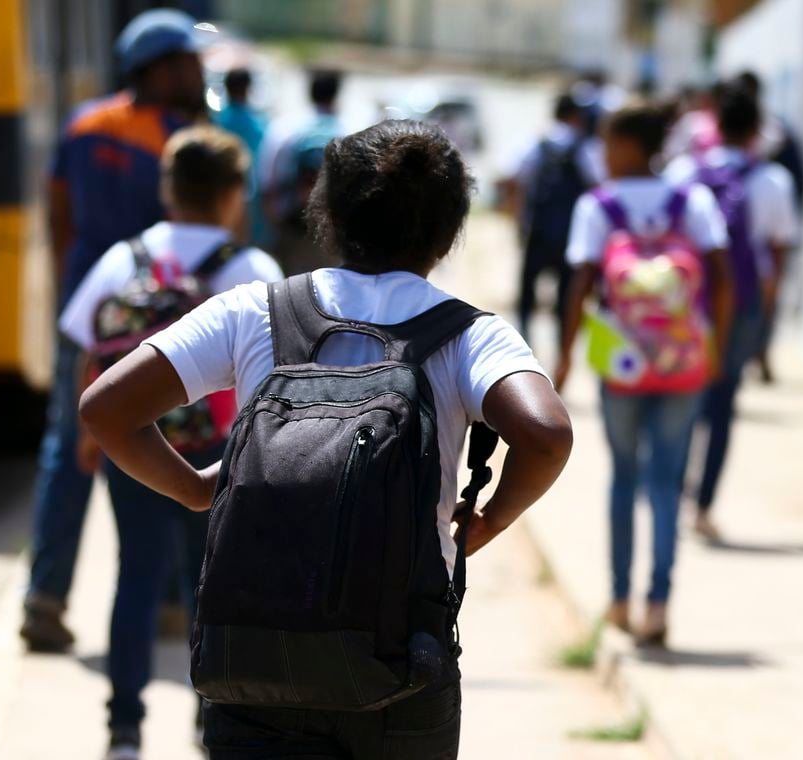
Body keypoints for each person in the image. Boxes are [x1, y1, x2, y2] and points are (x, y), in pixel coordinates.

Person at [78, 119, 572, 759]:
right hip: (400, 668)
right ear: (451, 232)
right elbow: (547, 433)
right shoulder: (470, 336)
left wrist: (199, 490)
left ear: (325, 212)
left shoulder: (253, 309)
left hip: (254, 664)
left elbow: (107, 408)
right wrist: (489, 518)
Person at [60, 126, 282, 760]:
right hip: (218, 454)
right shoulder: (250, 269)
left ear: (168, 189)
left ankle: (124, 729)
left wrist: (88, 436)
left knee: (135, 575)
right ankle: (209, 720)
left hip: (133, 448)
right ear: (235, 194)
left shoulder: (122, 258)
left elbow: (91, 351)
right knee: (210, 587)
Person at [21, 8, 207, 653]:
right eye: (187, 60)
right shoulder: (176, 138)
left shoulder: (83, 124)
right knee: (164, 448)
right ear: (157, 68)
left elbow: (58, 217)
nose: (198, 70)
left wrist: (67, 301)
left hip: (86, 311)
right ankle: (161, 604)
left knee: (65, 453)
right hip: (154, 325)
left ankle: (45, 595)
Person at [556, 104, 733, 645]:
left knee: (624, 476)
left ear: (631, 146)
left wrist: (564, 357)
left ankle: (618, 600)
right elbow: (722, 279)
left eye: (610, 145)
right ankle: (659, 603)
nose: (604, 156)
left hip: (622, 363)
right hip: (682, 360)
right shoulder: (692, 201)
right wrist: (716, 349)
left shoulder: (598, 206)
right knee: (665, 481)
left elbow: (581, 285)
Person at [664, 83, 800, 539]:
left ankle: (674, 491)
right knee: (722, 401)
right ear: (756, 131)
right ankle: (703, 505)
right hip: (742, 303)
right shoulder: (774, 181)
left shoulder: (684, 172)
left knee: (683, 395)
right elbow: (778, 254)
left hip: (686, 302)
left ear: (715, 126)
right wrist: (763, 310)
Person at [509, 93, 604, 348]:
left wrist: (519, 221)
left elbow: (516, 180)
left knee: (528, 294)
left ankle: (523, 347)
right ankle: (563, 351)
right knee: (565, 297)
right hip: (569, 234)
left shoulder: (536, 142)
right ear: (575, 115)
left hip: (537, 230)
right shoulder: (585, 147)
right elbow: (598, 186)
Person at [732, 70, 803, 383]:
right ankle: (759, 351)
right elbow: (797, 184)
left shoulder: (701, 151)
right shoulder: (781, 133)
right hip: (761, 254)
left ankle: (757, 353)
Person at [260, 69, 345, 275]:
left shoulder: (284, 128)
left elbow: (266, 181)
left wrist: (275, 220)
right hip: (330, 229)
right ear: (336, 94)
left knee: (288, 292)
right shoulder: (347, 130)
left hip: (291, 224)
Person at [214, 67, 270, 246]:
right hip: (252, 204)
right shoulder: (259, 124)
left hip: (218, 198)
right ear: (248, 88)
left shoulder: (214, 121)